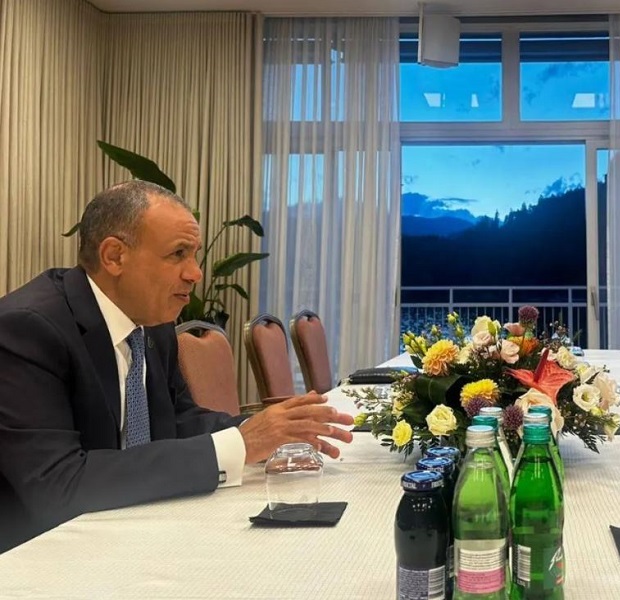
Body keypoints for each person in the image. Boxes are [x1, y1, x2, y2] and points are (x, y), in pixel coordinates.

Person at [0, 181, 355, 553]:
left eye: (194, 255)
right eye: (178, 254)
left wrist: (267, 432)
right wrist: (240, 445)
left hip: (131, 530)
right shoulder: (27, 329)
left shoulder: (152, 323)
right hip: (39, 554)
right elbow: (59, 484)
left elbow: (178, 421)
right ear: (114, 256)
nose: (195, 274)